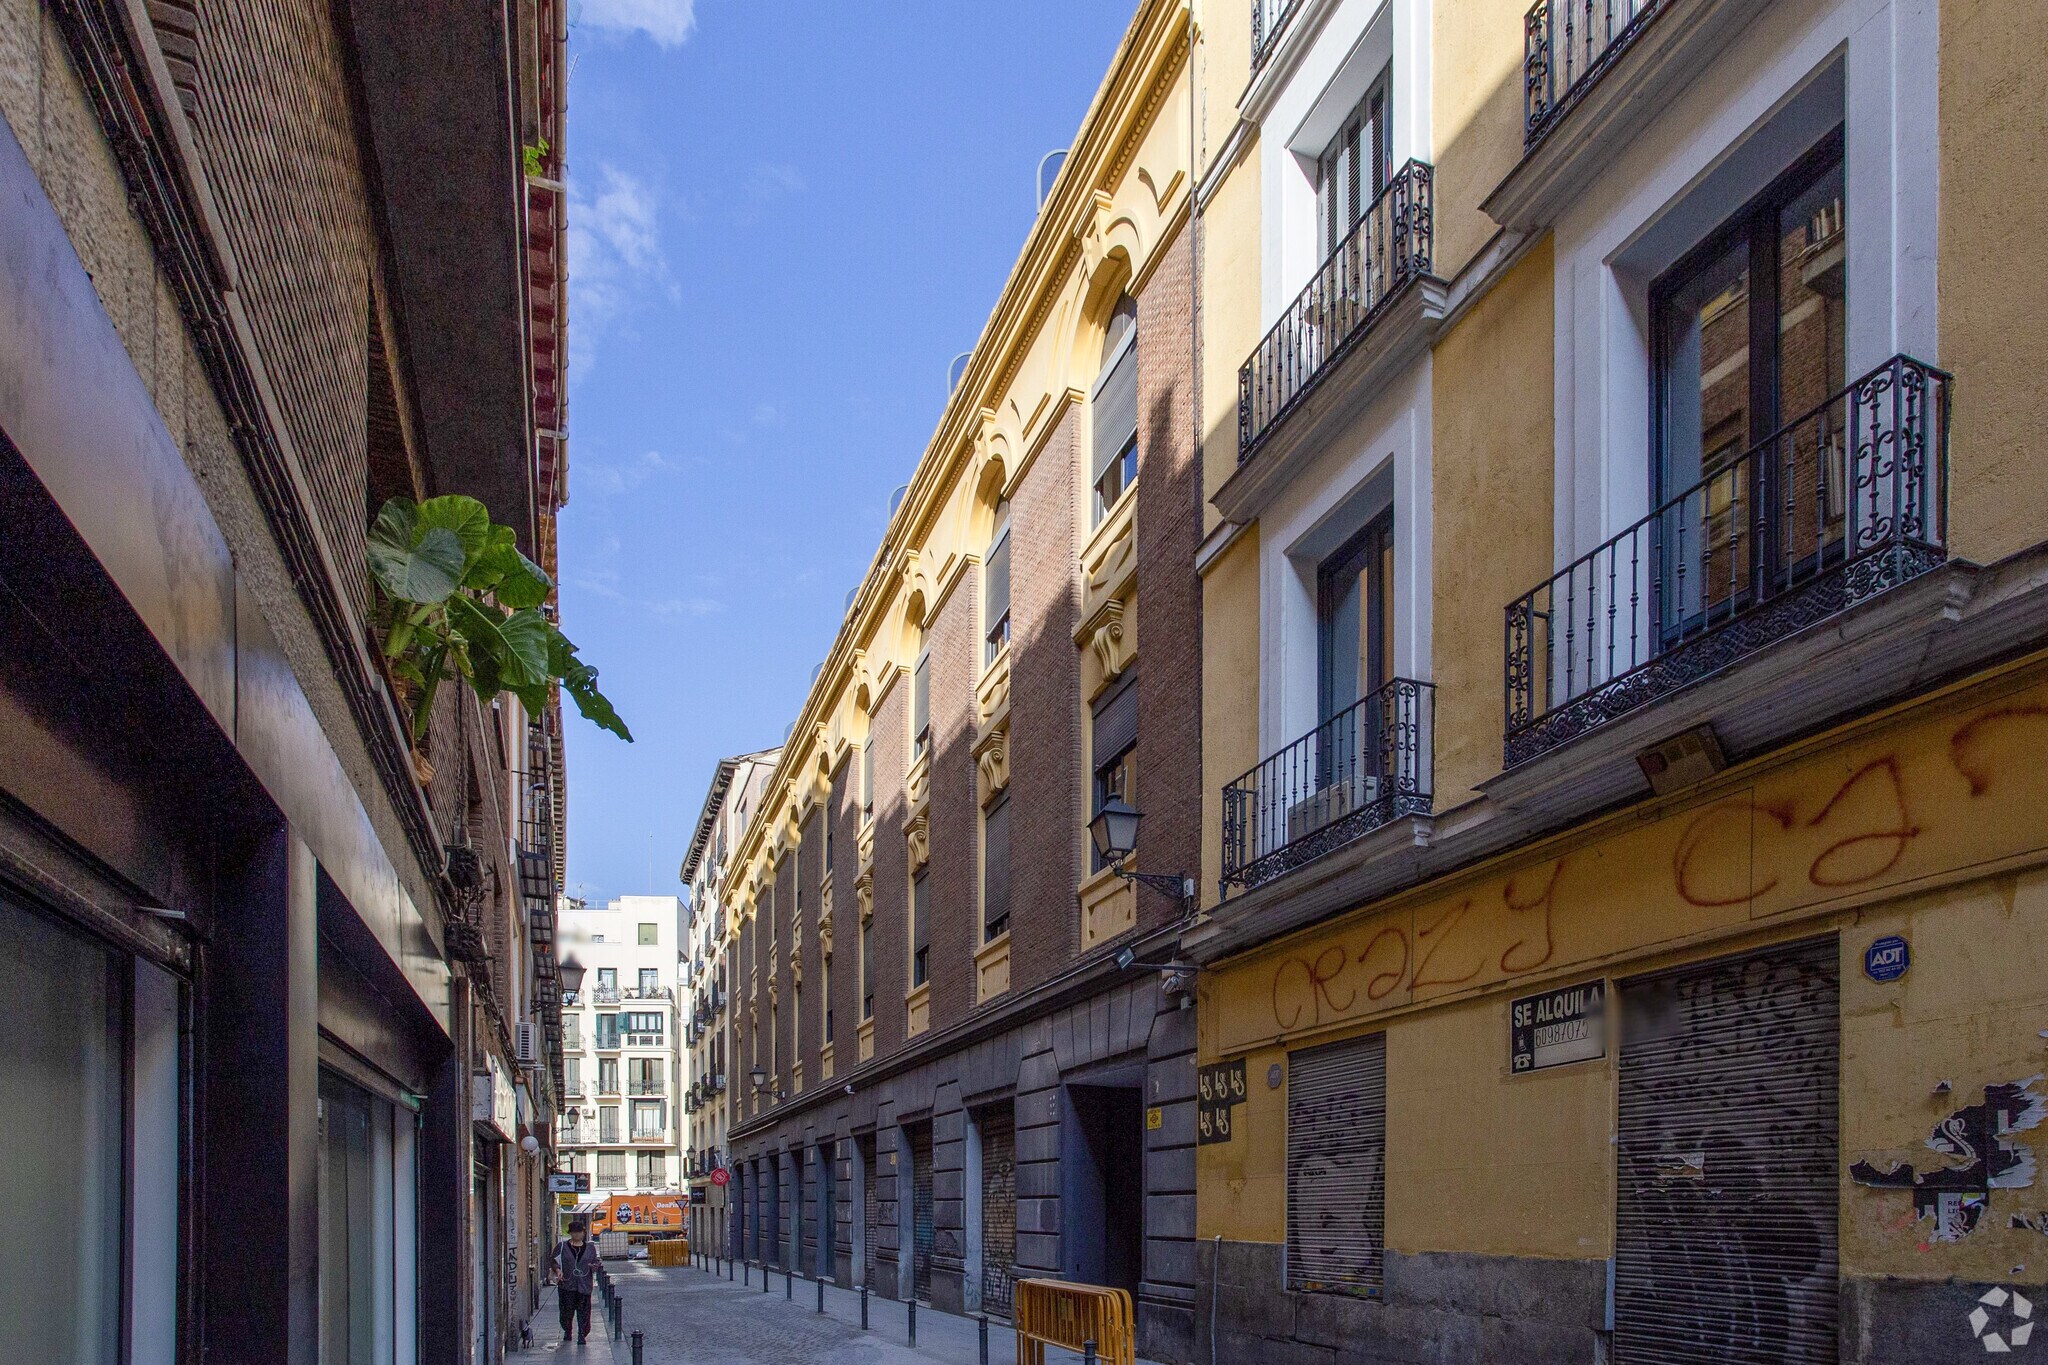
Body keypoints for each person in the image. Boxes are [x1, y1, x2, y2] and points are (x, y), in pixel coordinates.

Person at [550, 1218, 601, 1345]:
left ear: (583, 1233)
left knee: (584, 1311)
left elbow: (595, 1262)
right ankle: (567, 1331)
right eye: (574, 1232)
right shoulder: (562, 1247)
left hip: (584, 1285)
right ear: (570, 1233)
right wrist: (558, 1270)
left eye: (579, 1232)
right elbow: (553, 1261)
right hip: (567, 1284)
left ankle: (582, 1335)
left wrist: (594, 1266)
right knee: (566, 1311)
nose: (577, 1234)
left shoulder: (590, 1248)